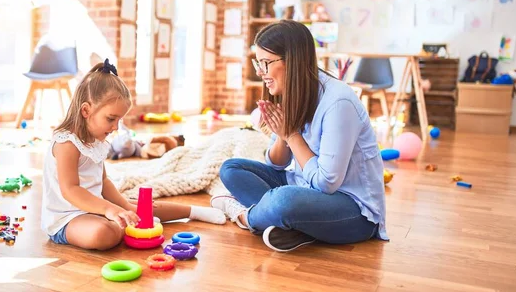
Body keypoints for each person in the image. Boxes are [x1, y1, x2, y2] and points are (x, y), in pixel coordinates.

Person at [211, 20, 388, 252]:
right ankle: (294, 226)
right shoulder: (293, 90)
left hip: (353, 211)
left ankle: (248, 217)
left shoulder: (339, 102)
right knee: (231, 169)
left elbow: (326, 183)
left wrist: (292, 134)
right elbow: (276, 164)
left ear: (293, 62)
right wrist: (282, 135)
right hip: (305, 188)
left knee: (283, 201)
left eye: (265, 63)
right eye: (258, 62)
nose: (259, 72)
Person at [41, 59, 225, 250]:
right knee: (102, 234)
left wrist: (124, 207)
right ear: (86, 110)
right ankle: (135, 225)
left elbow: (103, 182)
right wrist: (110, 209)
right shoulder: (67, 143)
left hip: (97, 209)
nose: (115, 127)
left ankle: (195, 212)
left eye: (119, 120)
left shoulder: (95, 139)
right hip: (67, 218)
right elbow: (71, 190)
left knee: (142, 209)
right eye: (111, 119)